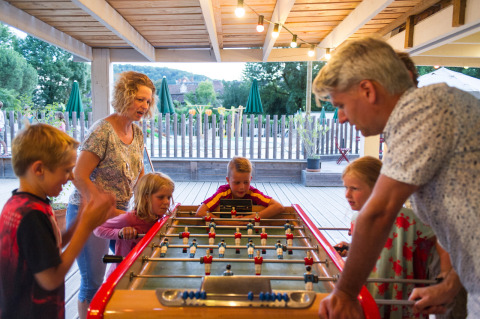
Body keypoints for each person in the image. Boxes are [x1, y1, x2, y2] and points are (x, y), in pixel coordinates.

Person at [312, 36, 479, 318]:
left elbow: (378, 213)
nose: (340, 117)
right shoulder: (426, 109)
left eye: (340, 103)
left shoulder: (423, 109)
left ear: (367, 90)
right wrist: (450, 284)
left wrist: (344, 293)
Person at [0, 123, 116, 319]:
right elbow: (51, 278)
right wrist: (86, 227)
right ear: (39, 169)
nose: (71, 177)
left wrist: (79, 221)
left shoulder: (19, 203)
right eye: (67, 170)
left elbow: (47, 246)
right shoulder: (32, 215)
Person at [66, 71, 156, 318]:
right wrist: (101, 204)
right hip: (88, 213)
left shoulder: (137, 132)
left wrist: (147, 201)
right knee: (92, 282)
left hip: (119, 213)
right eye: (139, 99)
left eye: (148, 101)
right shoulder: (102, 130)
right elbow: (79, 175)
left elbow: (139, 174)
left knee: (120, 275)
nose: (144, 106)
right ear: (124, 96)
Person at [334, 156, 439, 318]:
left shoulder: (410, 219)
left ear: (377, 188)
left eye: (354, 188)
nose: (347, 194)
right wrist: (350, 248)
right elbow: (371, 250)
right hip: (381, 292)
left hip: (397, 294)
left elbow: (439, 244)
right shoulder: (358, 218)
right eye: (346, 187)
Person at [93, 172, 174, 276]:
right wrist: (119, 232)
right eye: (161, 197)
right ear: (146, 197)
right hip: (122, 274)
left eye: (169, 197)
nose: (166, 202)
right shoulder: (129, 219)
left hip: (144, 271)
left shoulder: (162, 219)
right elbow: (97, 228)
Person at [195, 156, 285, 219]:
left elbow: (278, 207)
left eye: (246, 182)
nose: (242, 187)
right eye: (237, 183)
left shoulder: (252, 192)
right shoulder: (223, 192)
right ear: (228, 181)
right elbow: (200, 212)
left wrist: (247, 219)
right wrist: (229, 223)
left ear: (250, 179)